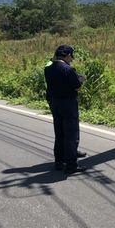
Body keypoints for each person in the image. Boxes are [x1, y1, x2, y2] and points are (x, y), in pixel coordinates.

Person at [44, 44, 87, 174]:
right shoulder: (68, 69)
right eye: (71, 56)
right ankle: (71, 165)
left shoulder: (48, 68)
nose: (72, 58)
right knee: (71, 134)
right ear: (67, 55)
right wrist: (80, 80)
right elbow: (77, 87)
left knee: (59, 132)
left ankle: (59, 161)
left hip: (54, 102)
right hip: (68, 103)